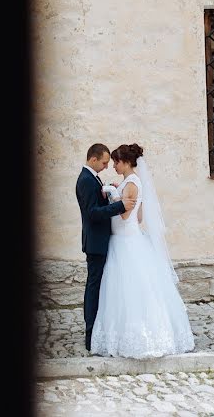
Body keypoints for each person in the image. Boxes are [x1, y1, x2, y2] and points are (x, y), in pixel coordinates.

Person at [89, 143, 195, 358]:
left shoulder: (132, 183)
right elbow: (138, 217)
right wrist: (117, 192)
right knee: (122, 289)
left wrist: (111, 194)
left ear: (126, 162)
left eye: (116, 162)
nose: (114, 166)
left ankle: (140, 337)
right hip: (124, 239)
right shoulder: (130, 182)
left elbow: (126, 216)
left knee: (131, 289)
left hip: (126, 242)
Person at [75, 143, 136, 352]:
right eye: (103, 162)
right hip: (95, 243)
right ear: (93, 159)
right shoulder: (85, 180)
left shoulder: (92, 178)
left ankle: (99, 331)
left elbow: (97, 206)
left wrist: (110, 193)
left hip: (100, 240)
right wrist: (119, 205)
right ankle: (91, 334)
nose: (106, 166)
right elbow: (92, 213)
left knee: (99, 286)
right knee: (94, 287)